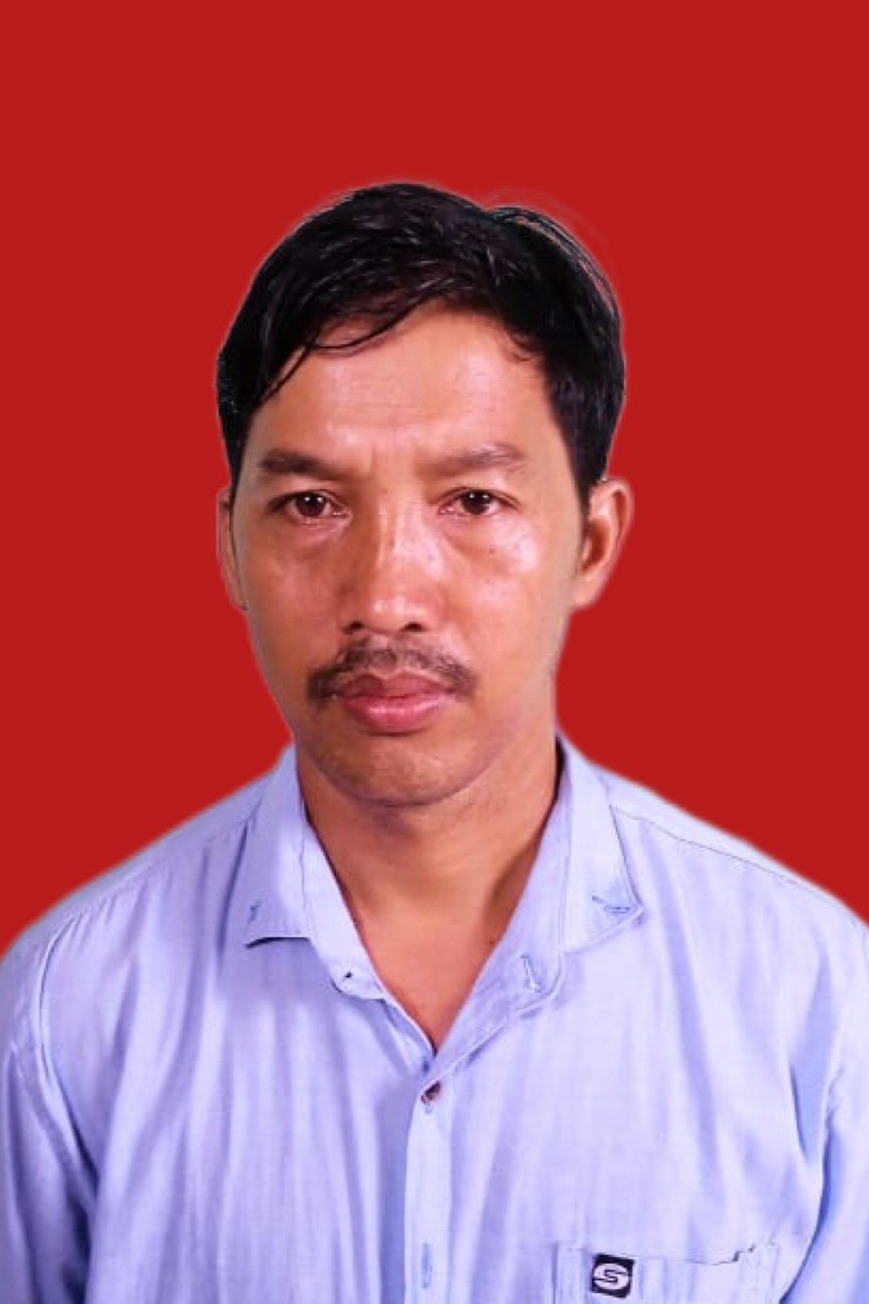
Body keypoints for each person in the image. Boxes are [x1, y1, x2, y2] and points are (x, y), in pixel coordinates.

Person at [1, 182, 866, 1304]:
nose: (386, 597)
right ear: (228, 546)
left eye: (471, 500)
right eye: (311, 505)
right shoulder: (66, 1015)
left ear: (591, 540)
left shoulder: (809, 1004)